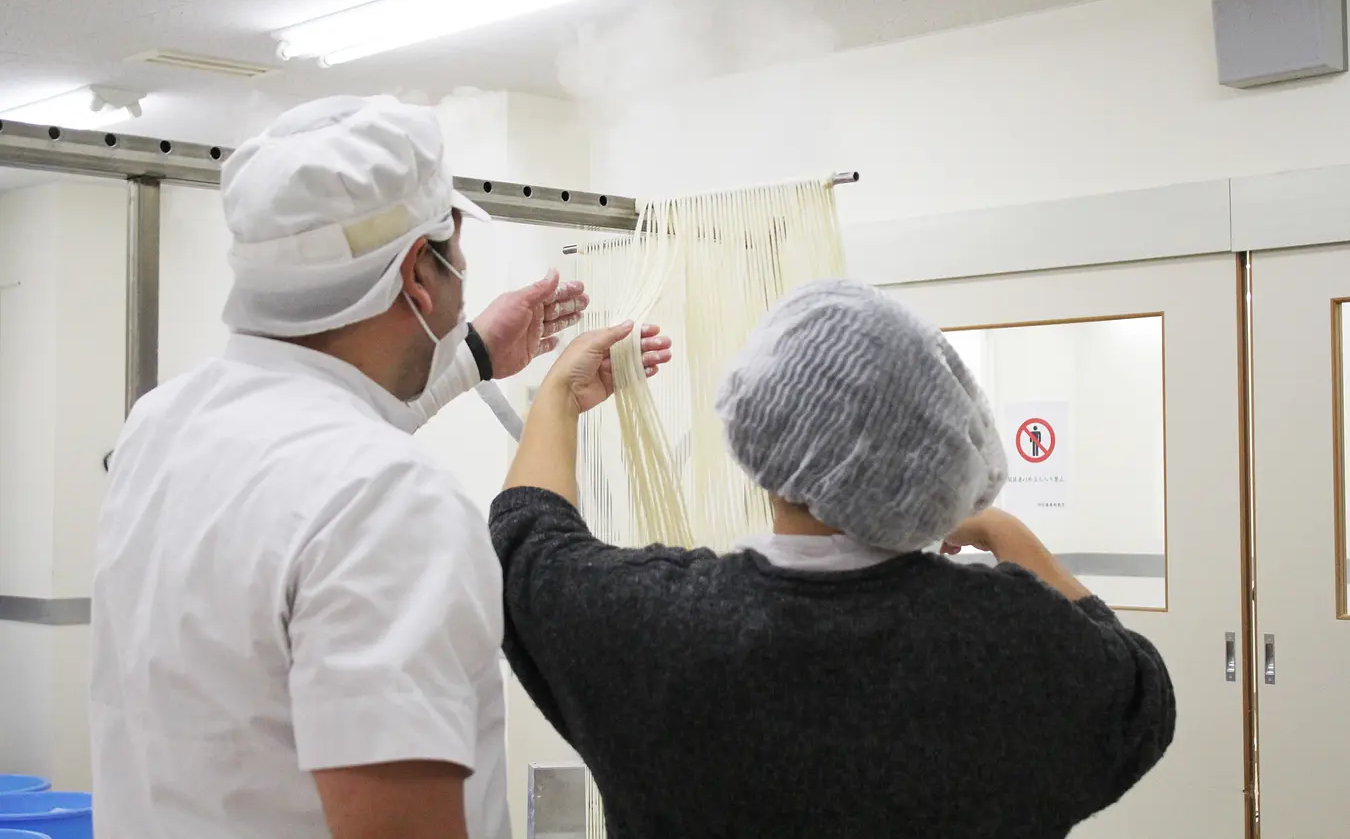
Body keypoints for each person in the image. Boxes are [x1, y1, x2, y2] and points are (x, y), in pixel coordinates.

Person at [89, 95, 670, 839]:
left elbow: (322, 436)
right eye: (455, 255)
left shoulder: (161, 427)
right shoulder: (392, 502)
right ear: (417, 278)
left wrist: (476, 357)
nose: (464, 279)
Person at [490, 278, 1176, 839]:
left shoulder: (651, 625)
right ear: (937, 457)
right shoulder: (1015, 641)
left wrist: (560, 397)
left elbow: (529, 540)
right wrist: (1008, 536)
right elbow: (1141, 695)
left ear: (758, 440)